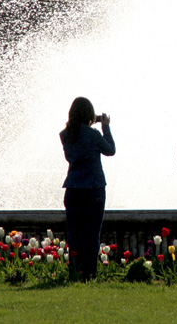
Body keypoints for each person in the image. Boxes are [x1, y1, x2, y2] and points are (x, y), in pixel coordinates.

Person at [60, 97, 115, 281]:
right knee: (92, 234)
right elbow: (110, 150)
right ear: (89, 114)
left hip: (73, 188)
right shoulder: (92, 135)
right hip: (93, 188)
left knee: (74, 235)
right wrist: (105, 126)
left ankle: (74, 272)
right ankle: (90, 275)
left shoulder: (66, 135)